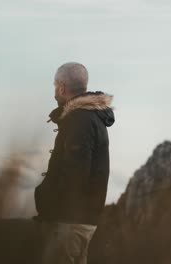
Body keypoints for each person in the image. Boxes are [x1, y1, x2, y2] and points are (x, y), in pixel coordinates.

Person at [33, 62, 115, 264]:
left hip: (69, 221)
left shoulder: (79, 119)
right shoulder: (91, 117)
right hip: (80, 219)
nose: (54, 92)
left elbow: (76, 173)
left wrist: (51, 207)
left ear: (61, 87)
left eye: (55, 86)